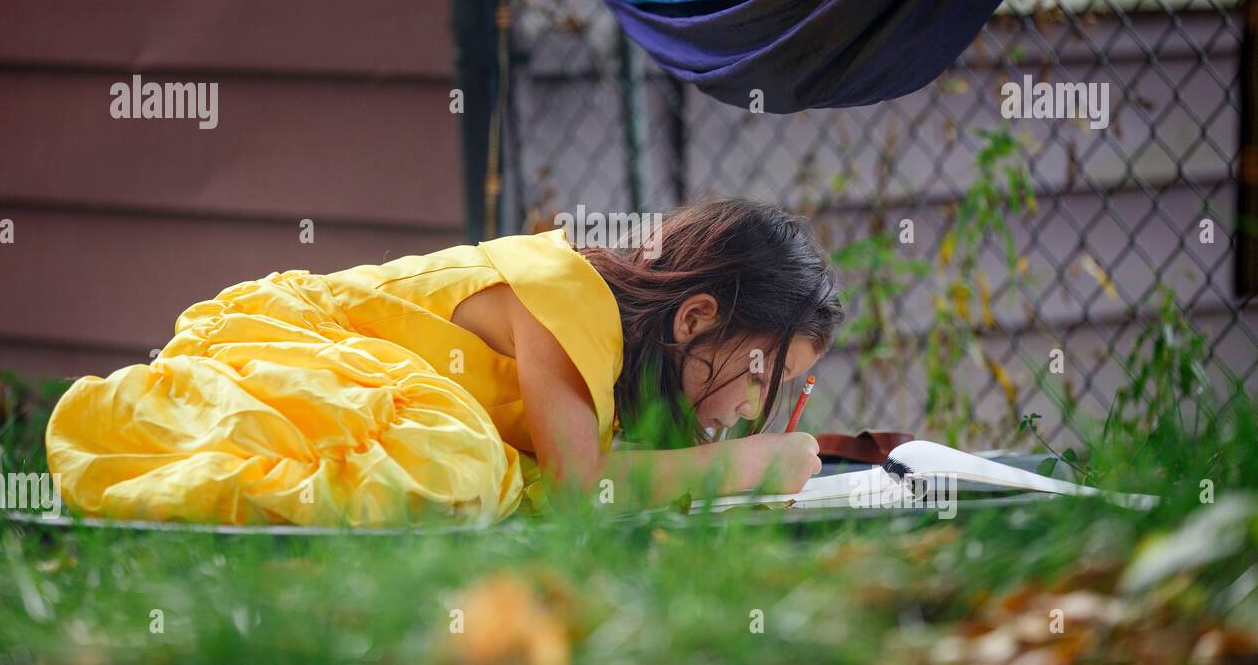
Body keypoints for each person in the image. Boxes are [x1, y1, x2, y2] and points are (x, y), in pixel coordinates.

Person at [45, 196, 844, 526]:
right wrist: (748, 466)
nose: (754, 405)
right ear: (695, 318)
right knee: (461, 458)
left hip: (358, 374)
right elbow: (577, 490)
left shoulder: (615, 367)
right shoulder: (572, 298)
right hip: (286, 340)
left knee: (476, 463)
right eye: (764, 373)